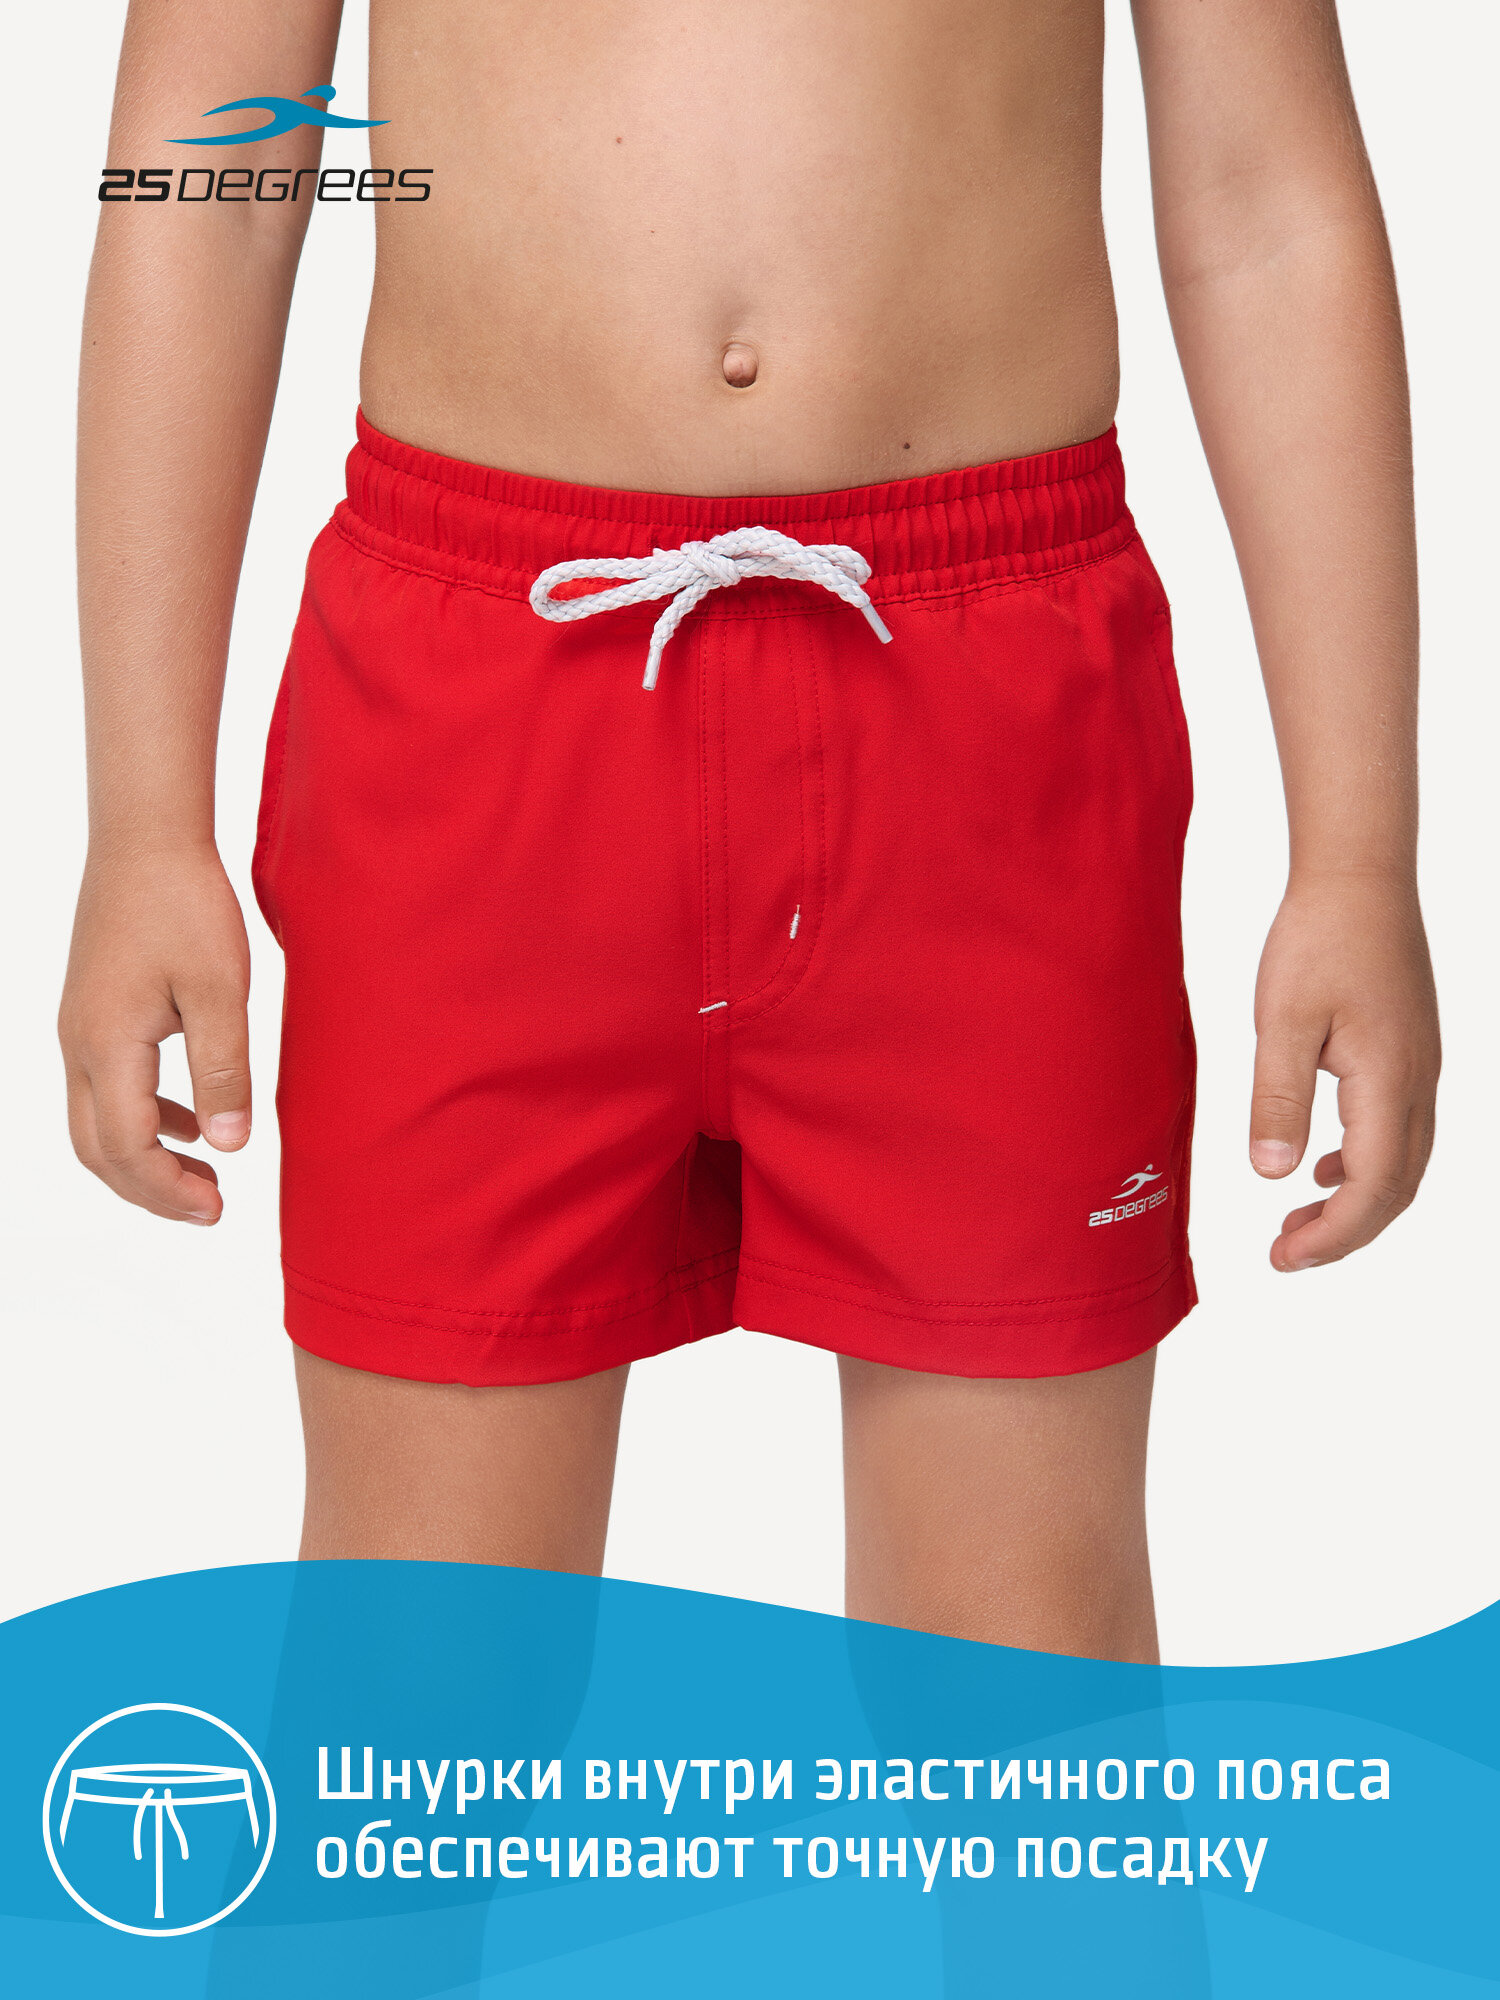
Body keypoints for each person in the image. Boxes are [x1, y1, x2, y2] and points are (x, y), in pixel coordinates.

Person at [59, 0, 1439, 1661]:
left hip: (982, 731)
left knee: (1027, 1676)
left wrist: (1358, 851)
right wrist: (143, 825)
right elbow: (205, 181)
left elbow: (1268, 201)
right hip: (482, 713)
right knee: (422, 1671)